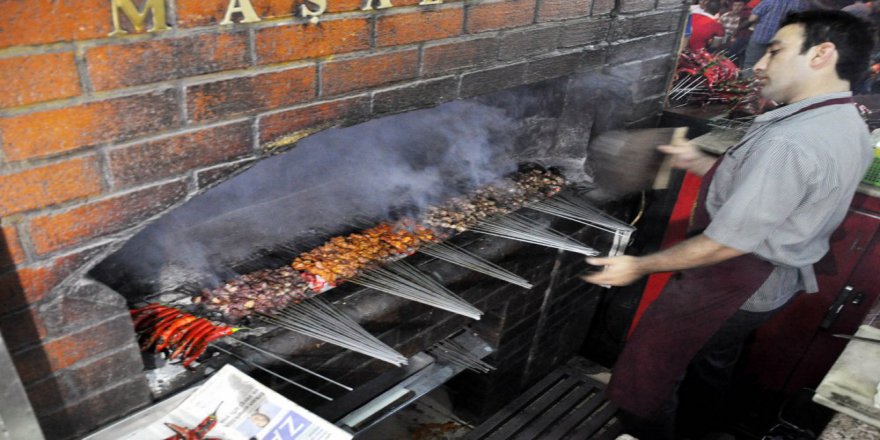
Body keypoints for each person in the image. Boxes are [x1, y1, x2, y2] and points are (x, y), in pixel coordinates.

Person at [582, 10, 874, 439]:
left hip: (738, 278)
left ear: (822, 54)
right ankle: (698, 431)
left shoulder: (791, 140)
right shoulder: (846, 121)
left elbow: (726, 242)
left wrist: (637, 266)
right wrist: (698, 162)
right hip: (772, 283)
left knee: (646, 371)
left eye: (775, 51)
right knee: (710, 359)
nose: (758, 63)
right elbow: (779, 193)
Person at [741, 0, 810, 73]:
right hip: (781, 42)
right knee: (773, 68)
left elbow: (752, 18)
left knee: (751, 64)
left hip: (761, 37)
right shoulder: (802, 4)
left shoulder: (770, 1)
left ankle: (747, 82)